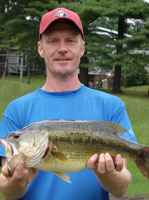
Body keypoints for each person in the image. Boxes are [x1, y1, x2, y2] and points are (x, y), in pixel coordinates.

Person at [0, 7, 137, 200]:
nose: (62, 48)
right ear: (41, 48)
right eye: (53, 41)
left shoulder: (112, 106)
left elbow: (121, 188)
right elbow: (8, 192)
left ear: (82, 47)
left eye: (70, 40)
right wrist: (15, 181)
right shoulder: (16, 110)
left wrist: (108, 174)